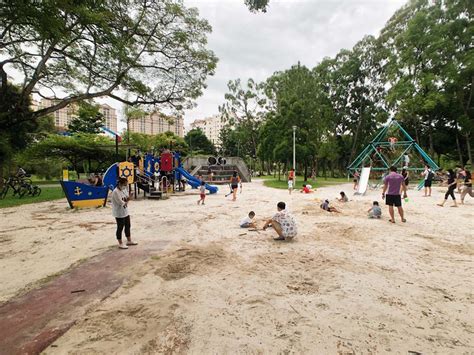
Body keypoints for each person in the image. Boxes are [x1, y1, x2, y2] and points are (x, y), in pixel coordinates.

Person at [112, 178, 137, 249]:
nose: (125, 186)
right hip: (119, 212)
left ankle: (129, 240)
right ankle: (120, 243)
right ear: (120, 184)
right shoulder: (115, 192)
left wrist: (130, 196)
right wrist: (128, 200)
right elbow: (121, 203)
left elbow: (126, 198)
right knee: (120, 227)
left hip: (125, 211)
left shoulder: (124, 190)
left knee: (128, 225)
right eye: (124, 184)